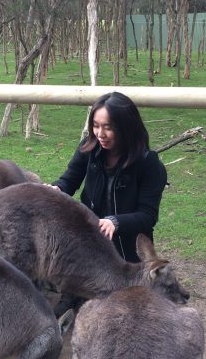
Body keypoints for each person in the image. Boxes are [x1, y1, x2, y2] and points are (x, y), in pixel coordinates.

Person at [50, 91, 167, 314]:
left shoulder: (148, 164)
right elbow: (70, 178)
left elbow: (148, 215)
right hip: (91, 231)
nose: (100, 134)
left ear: (126, 127)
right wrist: (58, 188)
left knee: (120, 304)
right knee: (75, 264)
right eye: (96, 125)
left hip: (125, 243)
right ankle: (72, 294)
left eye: (108, 127)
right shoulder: (90, 147)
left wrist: (116, 222)